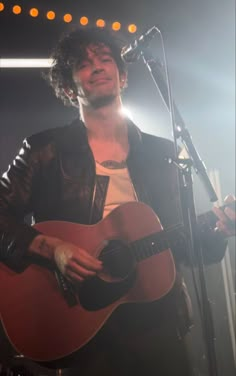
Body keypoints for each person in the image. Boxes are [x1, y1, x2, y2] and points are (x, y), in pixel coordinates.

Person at [0, 27, 235, 376]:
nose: (97, 67)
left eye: (105, 59)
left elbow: (184, 247)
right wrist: (53, 250)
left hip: (155, 318)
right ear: (68, 87)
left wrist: (216, 230)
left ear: (122, 76)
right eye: (83, 64)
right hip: (77, 323)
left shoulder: (164, 155)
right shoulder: (43, 151)